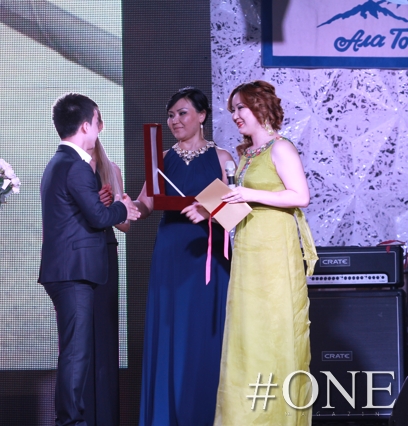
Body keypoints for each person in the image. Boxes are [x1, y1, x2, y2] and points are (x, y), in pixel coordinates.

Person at [214, 80, 317, 426]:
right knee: (248, 334)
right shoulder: (246, 155)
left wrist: (249, 194)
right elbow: (239, 205)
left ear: (260, 106)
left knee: (274, 330)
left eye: (240, 107)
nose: (235, 115)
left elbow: (300, 196)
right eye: (232, 109)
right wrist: (209, 208)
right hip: (248, 251)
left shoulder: (280, 148)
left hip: (274, 253)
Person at [134, 87, 234, 426]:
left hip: (208, 256)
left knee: (207, 333)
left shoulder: (222, 158)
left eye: (182, 113)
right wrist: (123, 205)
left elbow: (234, 212)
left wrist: (209, 210)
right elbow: (145, 204)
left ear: (202, 115)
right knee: (171, 333)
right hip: (171, 255)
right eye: (171, 115)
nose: (175, 120)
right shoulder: (161, 159)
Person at [39, 92, 140, 426]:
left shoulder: (60, 162)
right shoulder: (75, 166)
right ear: (86, 126)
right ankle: (70, 422)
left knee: (76, 353)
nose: (100, 128)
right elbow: (99, 217)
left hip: (70, 271)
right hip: (74, 274)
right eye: (98, 122)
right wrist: (123, 207)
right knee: (76, 355)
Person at [84, 130, 130, 426]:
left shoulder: (111, 169)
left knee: (105, 339)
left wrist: (110, 205)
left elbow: (125, 223)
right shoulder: (67, 167)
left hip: (104, 254)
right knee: (79, 343)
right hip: (77, 260)